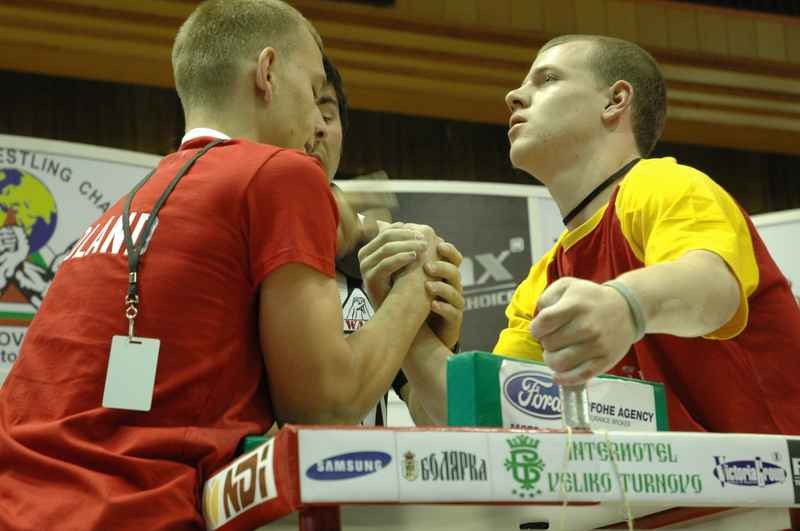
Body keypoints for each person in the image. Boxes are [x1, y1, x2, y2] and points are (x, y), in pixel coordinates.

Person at [0, 1, 445, 529]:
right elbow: (326, 405)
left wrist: (359, 224)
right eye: (312, 90)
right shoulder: (283, 174)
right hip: (123, 512)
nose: (316, 125)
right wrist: (416, 290)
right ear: (267, 73)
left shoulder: (133, 205)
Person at [492, 34, 800, 434]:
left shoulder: (667, 184)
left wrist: (626, 307)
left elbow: (713, 288)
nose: (514, 95)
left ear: (615, 100)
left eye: (547, 79)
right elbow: (492, 410)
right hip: (664, 496)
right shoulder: (543, 278)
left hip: (771, 491)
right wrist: (414, 337)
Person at [313, 57, 464, 426]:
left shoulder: (381, 255)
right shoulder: (240, 242)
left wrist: (433, 347)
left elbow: (437, 421)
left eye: (328, 115)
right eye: (304, 107)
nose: (316, 127)